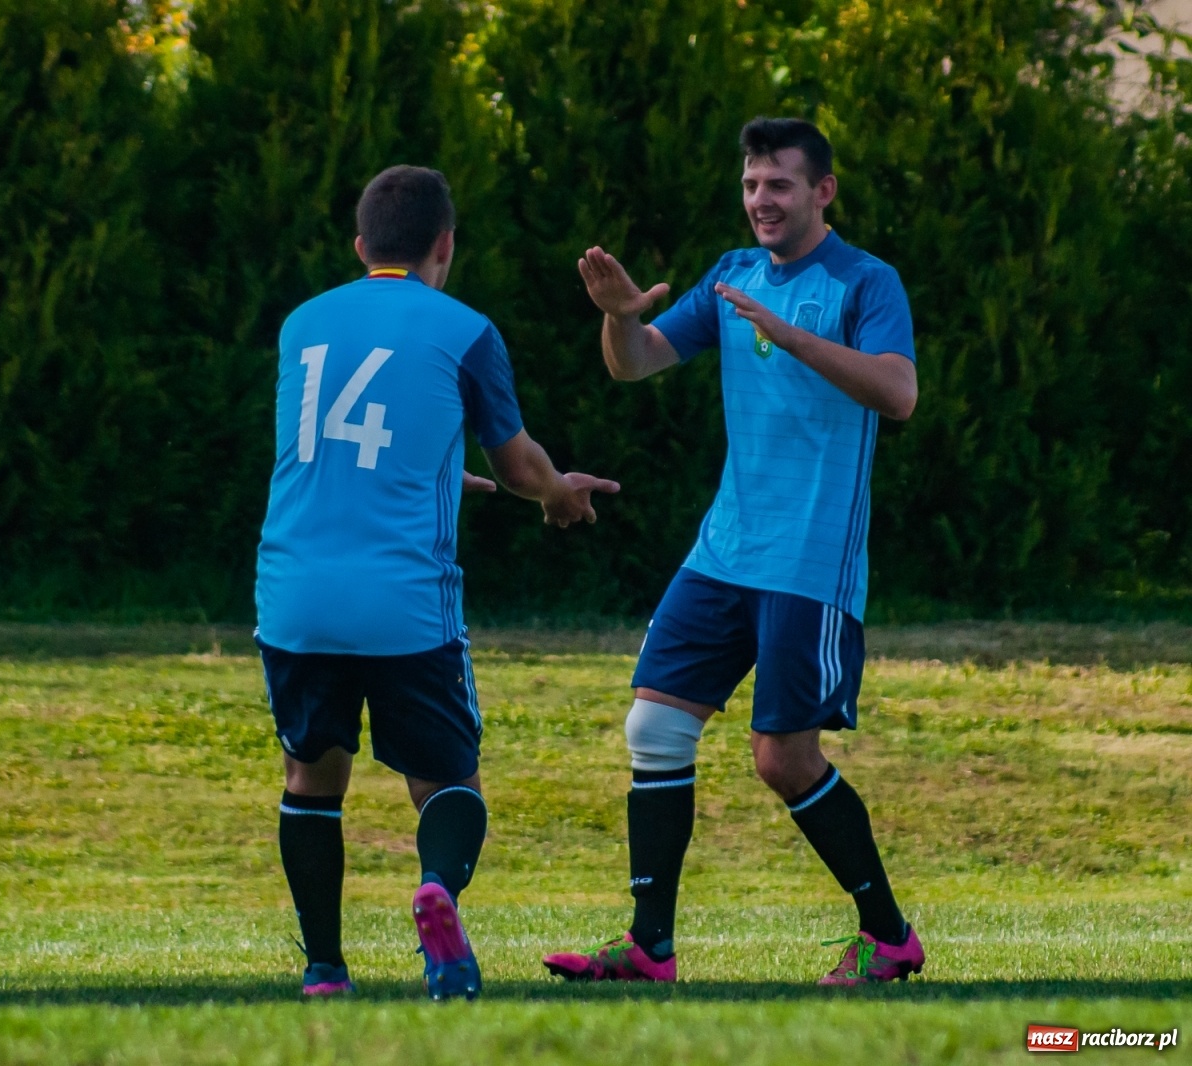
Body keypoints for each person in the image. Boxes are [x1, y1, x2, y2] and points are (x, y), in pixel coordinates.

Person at [542, 117, 925, 986]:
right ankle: (650, 947)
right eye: (752, 184)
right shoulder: (733, 274)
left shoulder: (866, 281)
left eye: (779, 184)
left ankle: (889, 936)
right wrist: (620, 318)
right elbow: (636, 363)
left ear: (823, 191)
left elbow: (899, 394)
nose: (761, 200)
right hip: (725, 551)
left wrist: (792, 336)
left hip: (810, 560)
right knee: (655, 725)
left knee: (782, 760)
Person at [255, 164, 619, 1000]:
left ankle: (324, 970)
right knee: (449, 782)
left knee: (312, 778)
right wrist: (558, 494)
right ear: (445, 245)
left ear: (361, 246)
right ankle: (436, 892)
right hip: (404, 602)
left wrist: (437, 472)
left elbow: (334, 451)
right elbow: (519, 464)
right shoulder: (465, 331)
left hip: (296, 593)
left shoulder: (302, 324)